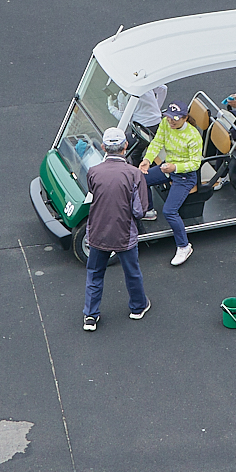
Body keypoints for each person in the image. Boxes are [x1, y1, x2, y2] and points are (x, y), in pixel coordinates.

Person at [81, 127, 149, 332]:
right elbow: (139, 211)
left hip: (97, 232)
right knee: (132, 272)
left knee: (94, 274)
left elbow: (93, 191)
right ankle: (138, 307)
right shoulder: (134, 173)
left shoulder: (94, 171)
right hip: (123, 234)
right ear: (125, 146)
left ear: (103, 147)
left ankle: (90, 316)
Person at [141, 102, 202, 266]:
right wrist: (147, 160)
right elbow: (157, 142)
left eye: (175, 119)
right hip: (168, 167)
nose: (171, 122)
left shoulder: (193, 136)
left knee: (169, 211)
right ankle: (148, 211)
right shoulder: (166, 123)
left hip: (185, 175)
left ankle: (184, 246)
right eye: (169, 118)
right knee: (141, 179)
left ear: (185, 118)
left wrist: (176, 167)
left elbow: (195, 164)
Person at [127, 82, 169, 160]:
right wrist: (157, 108)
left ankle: (138, 170)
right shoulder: (145, 85)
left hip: (144, 129)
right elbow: (163, 89)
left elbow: (123, 117)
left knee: (133, 153)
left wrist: (111, 108)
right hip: (156, 123)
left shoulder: (127, 97)